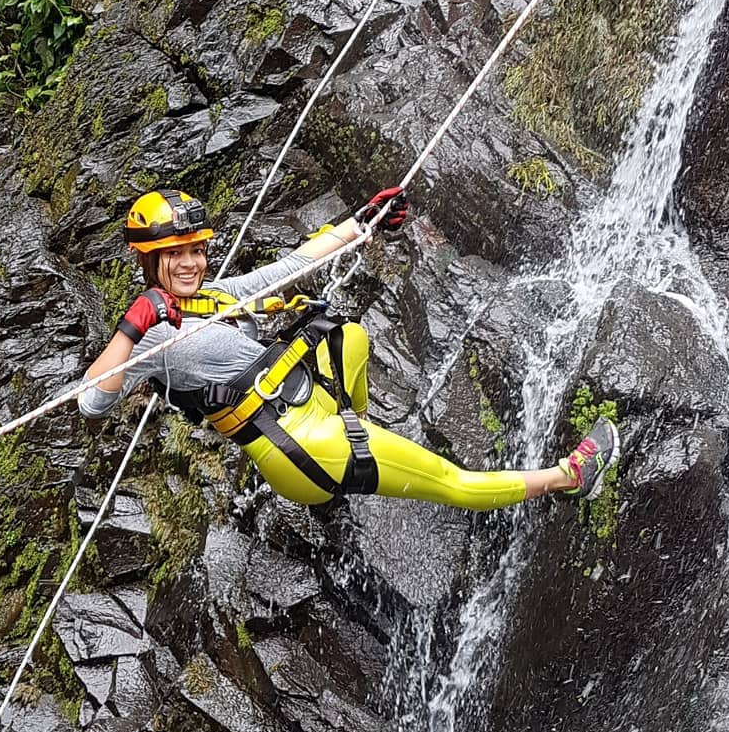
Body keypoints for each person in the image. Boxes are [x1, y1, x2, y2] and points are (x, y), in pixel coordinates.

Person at [78, 187, 620, 510]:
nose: (190, 263)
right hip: (298, 445)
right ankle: (571, 478)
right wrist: (133, 326)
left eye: (195, 251)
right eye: (174, 255)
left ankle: (361, 427)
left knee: (348, 336)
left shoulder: (215, 294)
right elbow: (91, 401)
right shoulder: (152, 336)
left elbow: (294, 264)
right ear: (150, 260)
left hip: (306, 402)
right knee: (453, 482)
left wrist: (363, 222)